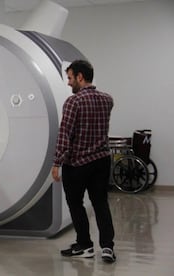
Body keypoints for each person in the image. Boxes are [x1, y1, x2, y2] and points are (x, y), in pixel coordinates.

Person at [51, 60, 116, 263]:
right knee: (100, 204)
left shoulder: (73, 102)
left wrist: (57, 162)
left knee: (76, 204)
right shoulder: (107, 99)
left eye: (70, 78)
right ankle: (107, 248)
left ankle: (85, 245)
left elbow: (65, 133)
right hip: (102, 160)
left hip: (77, 163)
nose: (69, 83)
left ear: (80, 76)